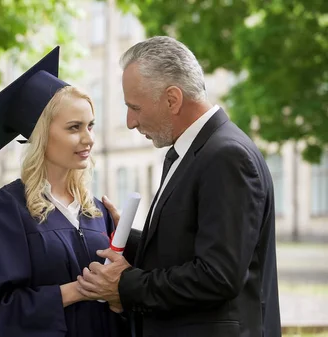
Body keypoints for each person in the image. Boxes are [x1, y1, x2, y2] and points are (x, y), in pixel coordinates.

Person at [76, 36, 282, 337]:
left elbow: (218, 276)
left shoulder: (226, 156)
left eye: (135, 107)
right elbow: (187, 245)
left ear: (172, 99)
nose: (130, 121)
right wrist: (129, 238)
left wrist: (125, 283)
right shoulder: (192, 151)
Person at [0, 46, 135, 337]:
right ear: (41, 135)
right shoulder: (4, 211)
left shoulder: (96, 212)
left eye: (90, 126)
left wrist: (120, 296)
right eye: (74, 127)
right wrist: (77, 291)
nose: (89, 139)